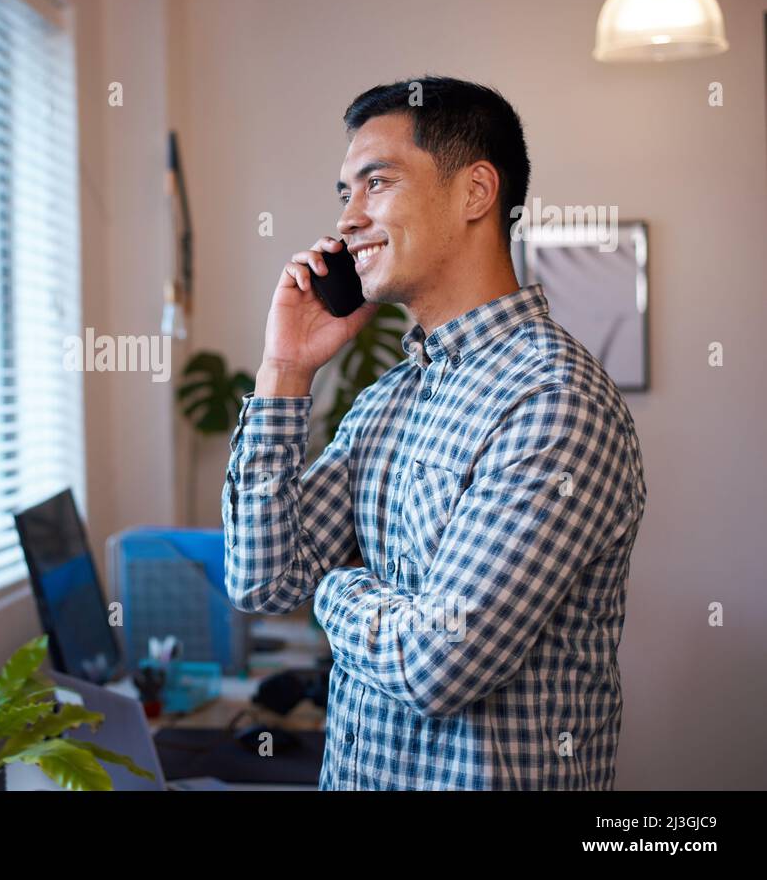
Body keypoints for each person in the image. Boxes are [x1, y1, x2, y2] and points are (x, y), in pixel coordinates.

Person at [222, 76, 646, 790]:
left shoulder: (553, 400)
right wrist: (284, 369)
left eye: (375, 183)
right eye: (343, 194)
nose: (348, 220)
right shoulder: (392, 398)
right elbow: (262, 579)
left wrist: (333, 587)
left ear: (476, 192)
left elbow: (437, 663)